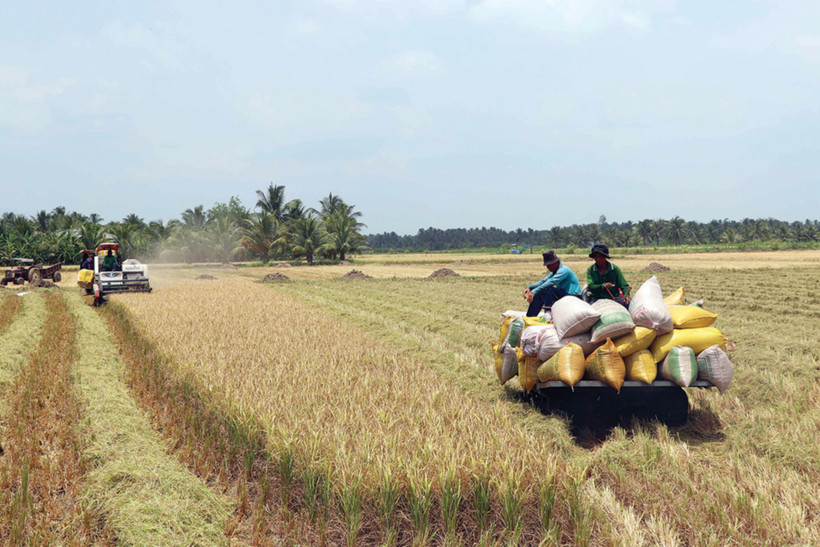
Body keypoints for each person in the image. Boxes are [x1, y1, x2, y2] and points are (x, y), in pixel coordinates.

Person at [523, 250, 581, 316]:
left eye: (550, 265)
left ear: (556, 262)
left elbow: (551, 282)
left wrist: (533, 292)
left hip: (573, 297)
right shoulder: (554, 272)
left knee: (551, 289)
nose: (548, 267)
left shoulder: (564, 270)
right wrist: (530, 287)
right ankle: (530, 317)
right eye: (547, 266)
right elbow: (543, 281)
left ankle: (548, 313)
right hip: (563, 295)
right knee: (540, 293)